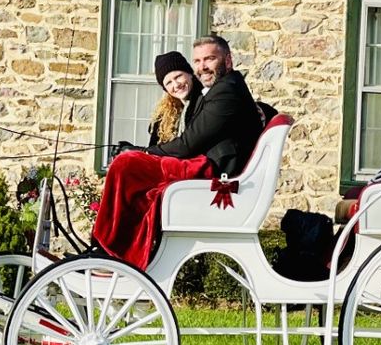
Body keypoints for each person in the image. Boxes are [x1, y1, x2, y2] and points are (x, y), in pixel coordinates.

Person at [92, 36, 265, 270]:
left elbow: (187, 145)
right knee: (130, 166)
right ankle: (116, 247)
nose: (203, 66)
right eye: (198, 60)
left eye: (210, 59)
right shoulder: (221, 90)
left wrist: (141, 152)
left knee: (127, 164)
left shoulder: (226, 92)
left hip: (217, 169)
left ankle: (114, 248)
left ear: (228, 60)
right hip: (212, 163)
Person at [147, 51, 196, 147]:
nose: (176, 85)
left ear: (190, 74)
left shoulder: (206, 100)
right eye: (169, 83)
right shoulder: (164, 116)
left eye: (178, 76)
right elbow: (154, 149)